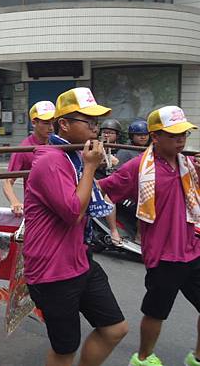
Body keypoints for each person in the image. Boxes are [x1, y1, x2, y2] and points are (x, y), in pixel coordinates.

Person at [24, 87, 128, 366]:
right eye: (90, 122)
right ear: (65, 124)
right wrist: (92, 166)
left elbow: (92, 192)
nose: (97, 129)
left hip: (80, 259)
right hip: (52, 270)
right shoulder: (51, 160)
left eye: (97, 123)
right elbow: (73, 212)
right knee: (65, 348)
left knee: (115, 329)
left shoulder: (74, 156)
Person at [99, 106, 200, 366]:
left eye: (184, 134)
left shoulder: (187, 164)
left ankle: (197, 357)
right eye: (174, 134)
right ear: (156, 137)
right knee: (156, 312)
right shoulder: (137, 168)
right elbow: (103, 191)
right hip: (164, 255)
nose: (181, 139)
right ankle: (143, 358)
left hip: (193, 248)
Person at [2, 101, 55, 216]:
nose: (51, 127)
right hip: (37, 210)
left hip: (58, 207)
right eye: (46, 123)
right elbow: (7, 181)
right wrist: (15, 202)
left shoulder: (58, 144)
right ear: (34, 123)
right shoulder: (24, 148)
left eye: (52, 123)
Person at [97, 118, 124, 244]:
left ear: (117, 135)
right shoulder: (97, 148)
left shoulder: (122, 150)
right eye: (105, 132)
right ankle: (114, 231)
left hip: (120, 183)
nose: (107, 135)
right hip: (102, 183)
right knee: (109, 198)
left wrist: (116, 162)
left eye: (110, 132)